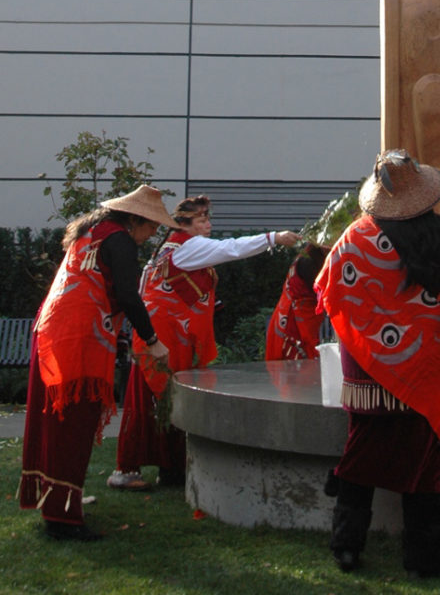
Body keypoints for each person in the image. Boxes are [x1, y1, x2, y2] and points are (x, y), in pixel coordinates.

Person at [314, 150, 440, 577]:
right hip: (427, 369)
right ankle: (423, 558)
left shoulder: (355, 240)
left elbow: (326, 289)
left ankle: (346, 547)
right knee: (424, 469)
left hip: (370, 374)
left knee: (358, 462)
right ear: (425, 195)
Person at [107, 195, 300, 489]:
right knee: (161, 401)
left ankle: (165, 468)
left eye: (208, 219)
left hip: (167, 336)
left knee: (162, 401)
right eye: (202, 220)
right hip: (165, 338)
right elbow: (231, 248)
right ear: (184, 224)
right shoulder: (189, 246)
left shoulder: (172, 246)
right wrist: (273, 238)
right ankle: (130, 470)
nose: (208, 225)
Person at [19, 184, 175, 541]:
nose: (152, 234)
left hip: (56, 334)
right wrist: (152, 340)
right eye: (151, 225)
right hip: (78, 342)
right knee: (71, 426)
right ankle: (62, 520)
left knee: (55, 424)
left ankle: (58, 502)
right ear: (134, 218)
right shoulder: (118, 240)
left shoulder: (91, 232)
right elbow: (128, 297)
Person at [265, 242, 328, 361]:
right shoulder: (309, 264)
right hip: (295, 324)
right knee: (304, 367)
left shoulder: (307, 256)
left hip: (290, 317)